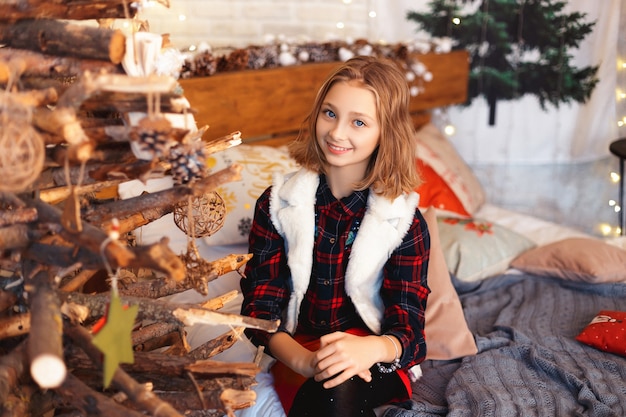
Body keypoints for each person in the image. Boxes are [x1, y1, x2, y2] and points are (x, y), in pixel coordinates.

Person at [240, 55, 430, 417]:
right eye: (330, 113)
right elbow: (258, 309)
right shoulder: (277, 204)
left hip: (374, 353)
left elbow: (410, 330)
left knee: (338, 387)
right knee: (329, 386)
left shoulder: (404, 220)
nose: (337, 132)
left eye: (359, 122)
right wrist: (305, 360)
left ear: (385, 133)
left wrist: (370, 350)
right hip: (298, 348)